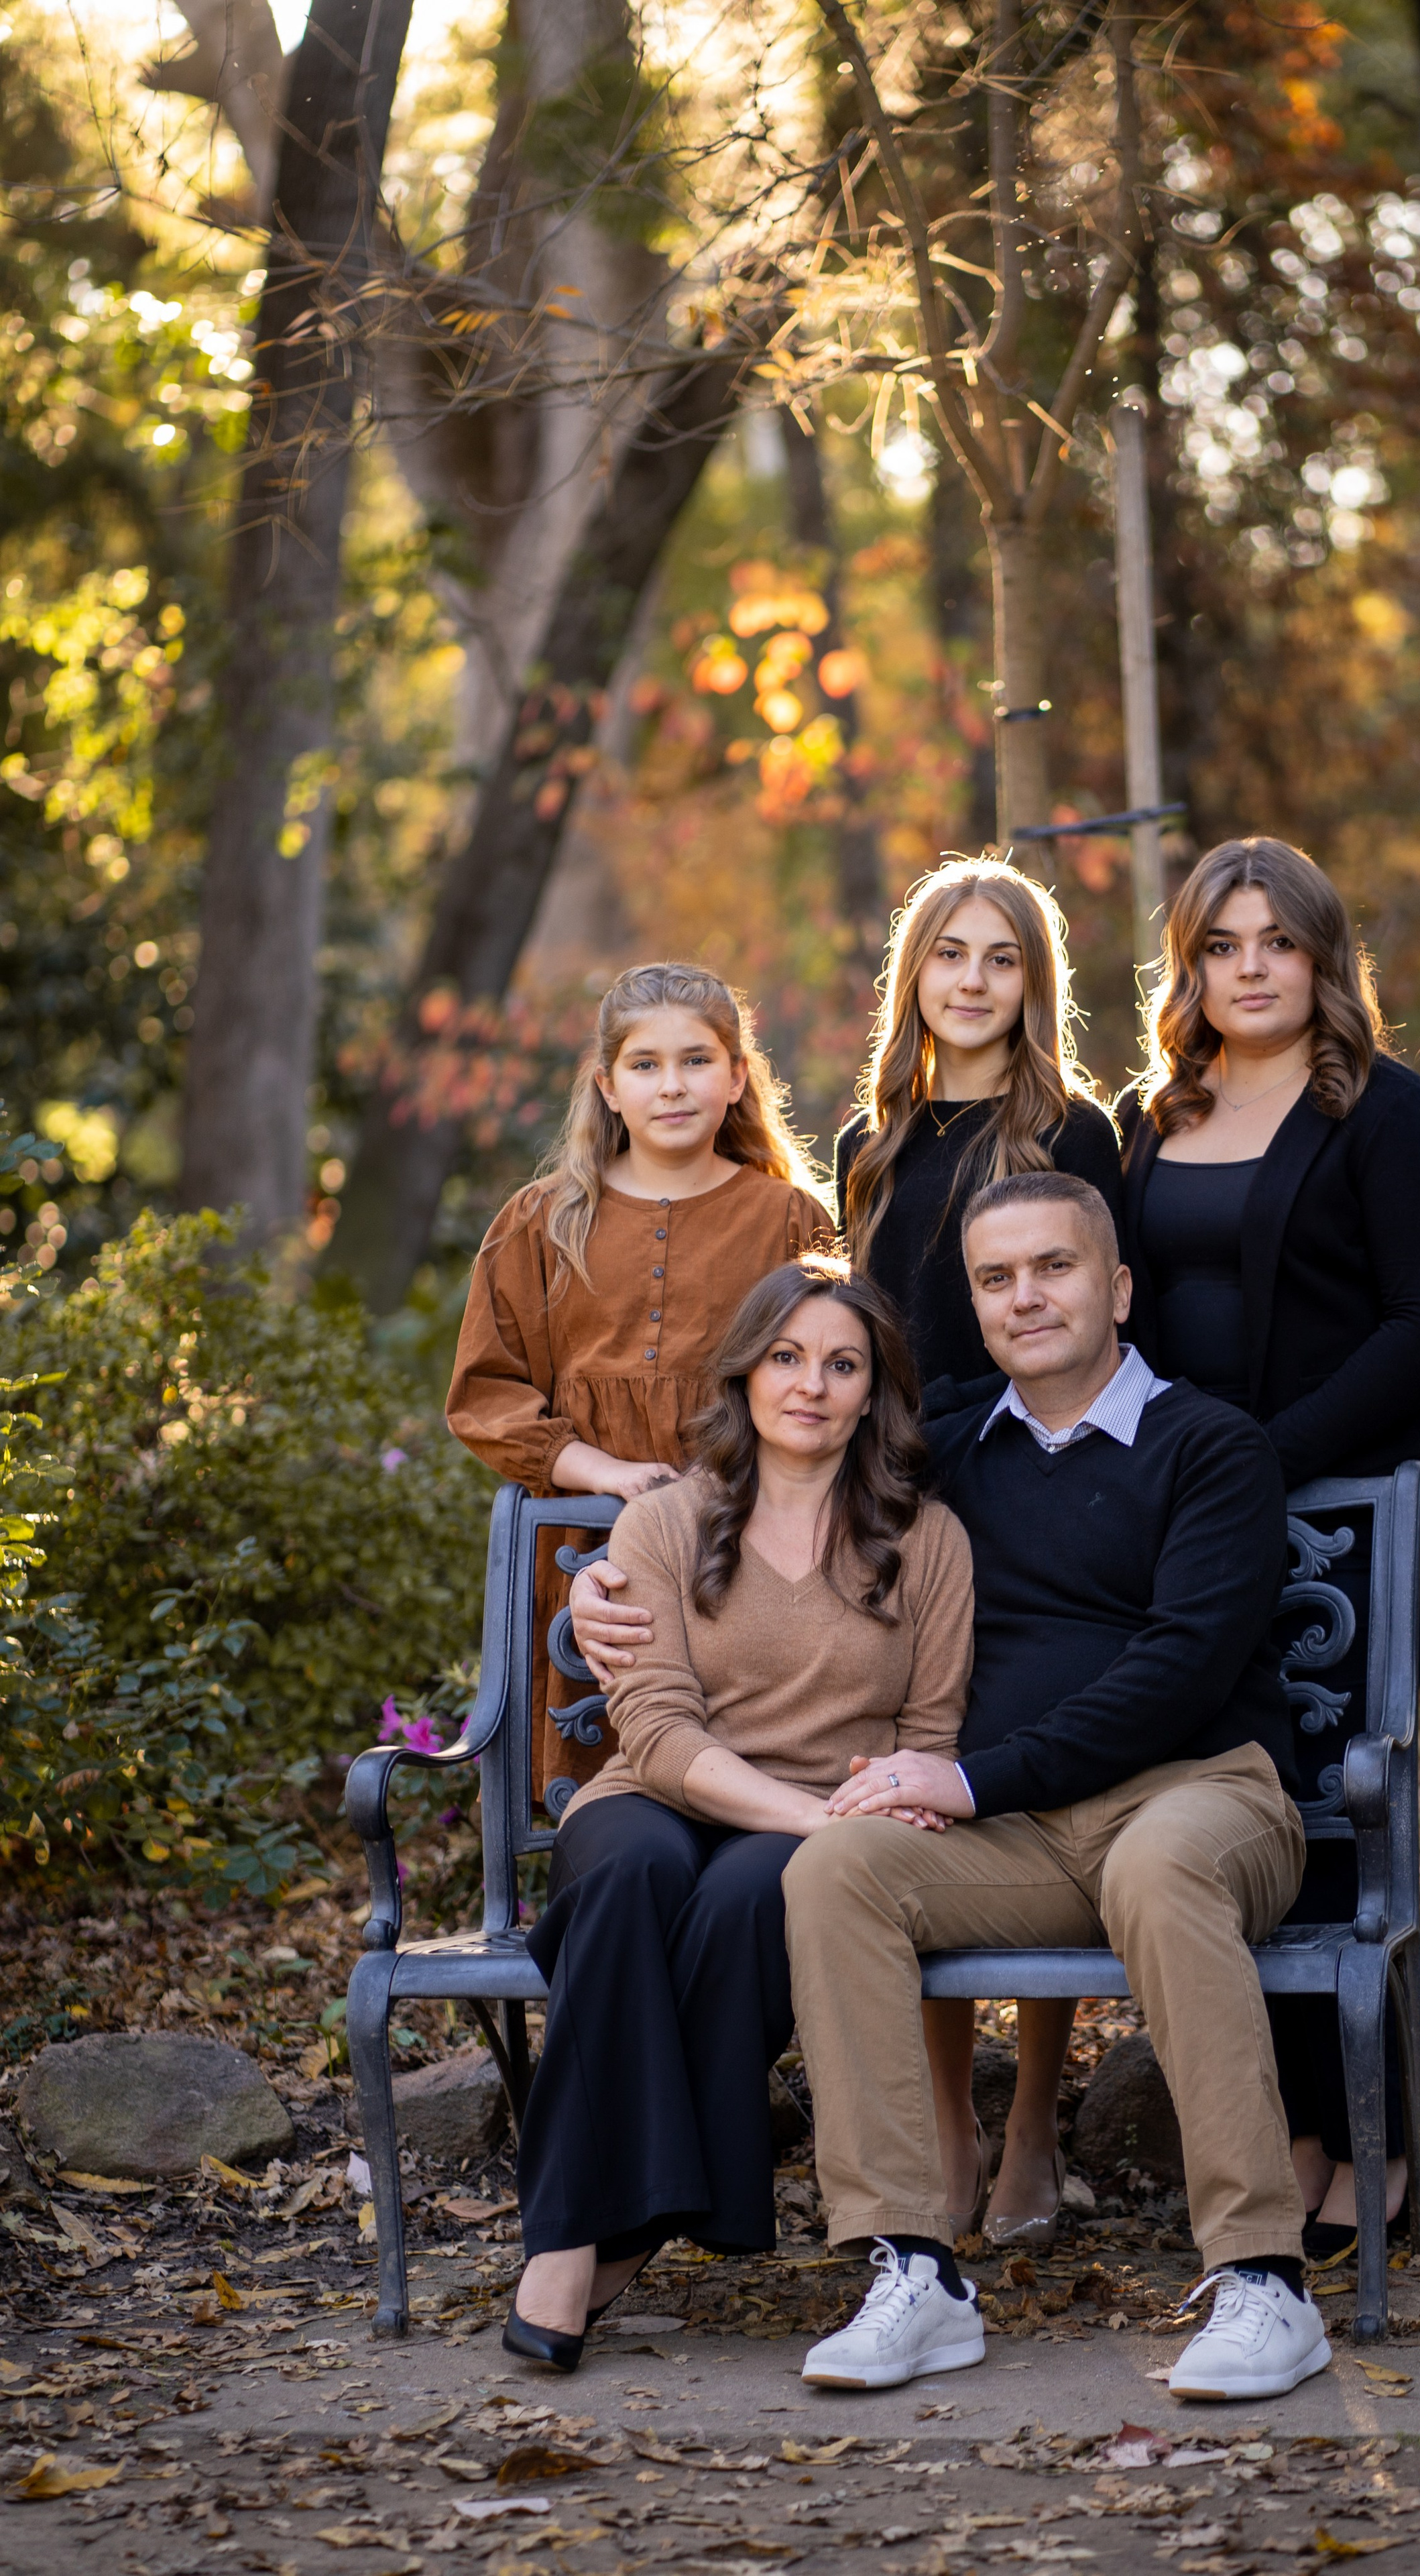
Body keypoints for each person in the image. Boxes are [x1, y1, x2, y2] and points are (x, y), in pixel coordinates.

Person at [575, 1174, 1329, 2402]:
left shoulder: (1211, 1447)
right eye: (995, 1279)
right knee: (838, 1869)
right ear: (973, 1308)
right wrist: (604, 1586)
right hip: (1019, 1834)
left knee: (1158, 1859)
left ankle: (1261, 2278)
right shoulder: (953, 1455)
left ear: (1119, 1286)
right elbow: (770, 1500)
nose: (1026, 1297)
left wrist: (970, 1775)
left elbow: (1181, 1674)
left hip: (1199, 1795)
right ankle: (915, 2268)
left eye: (1056, 1267)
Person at [1114, 836, 1420, 2259]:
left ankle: (1373, 2147)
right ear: (1187, 965)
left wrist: (1268, 1450)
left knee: (1342, 1801)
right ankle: (1293, 2136)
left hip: (1373, 1507)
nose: (1249, 967)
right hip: (1208, 1521)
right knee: (1233, 1799)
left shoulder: (1389, 1116)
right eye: (1220, 943)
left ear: (1321, 957)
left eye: (1275, 940)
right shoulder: (1158, 1116)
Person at [504, 1257, 973, 2374]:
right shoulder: (666, 1520)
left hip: (819, 1822)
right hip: (660, 1795)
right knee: (627, 1879)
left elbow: (932, 1734)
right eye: (787, 1356)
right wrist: (812, 1816)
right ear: (747, 1373)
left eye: (842, 1364)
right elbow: (657, 1739)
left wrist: (831, 1821)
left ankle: (619, 2221)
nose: (811, 1384)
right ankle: (580, 2233)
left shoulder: (928, 1540)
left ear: (874, 1392)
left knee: (745, 1899)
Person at [837, 855, 1123, 2250]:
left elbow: (1084, 1329)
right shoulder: (873, 1143)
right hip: (900, 1501)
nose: (969, 980)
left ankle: (1030, 2125)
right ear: (913, 976)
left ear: (1032, 982)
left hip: (1024, 1485)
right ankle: (946, 2125)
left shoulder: (1071, 1130)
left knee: (1018, 1776)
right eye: (946, 954)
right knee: (921, 1781)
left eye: (998, 957)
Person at [445, 959, 832, 1801]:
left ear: (737, 1077)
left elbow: (826, 1383)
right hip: (590, 1559)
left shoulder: (790, 1221)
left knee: (743, 1791)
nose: (672, 1085)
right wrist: (608, 1472)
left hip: (741, 1548)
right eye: (645, 1065)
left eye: (696, 1060)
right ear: (608, 1086)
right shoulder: (543, 1221)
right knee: (600, 1803)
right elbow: (486, 1394)